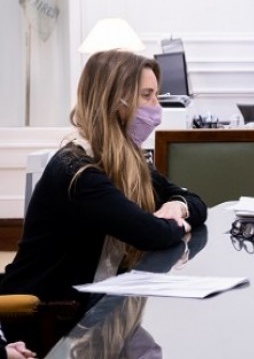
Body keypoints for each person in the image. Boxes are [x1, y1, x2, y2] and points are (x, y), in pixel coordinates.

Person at [0, 50, 208, 353]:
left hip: (93, 313)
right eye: (147, 96)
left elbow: (197, 203)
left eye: (156, 95)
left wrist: (179, 206)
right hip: (47, 319)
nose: (157, 107)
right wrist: (178, 222)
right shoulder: (76, 171)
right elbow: (152, 234)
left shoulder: (126, 161)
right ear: (114, 100)